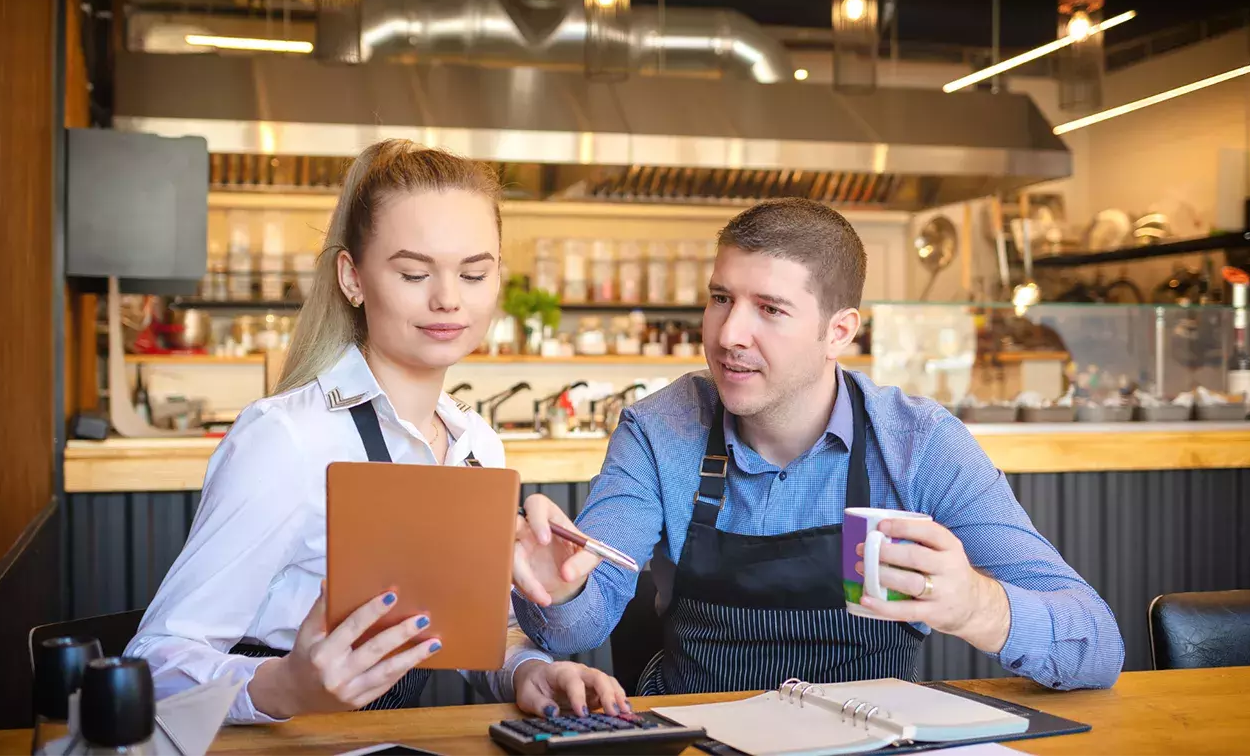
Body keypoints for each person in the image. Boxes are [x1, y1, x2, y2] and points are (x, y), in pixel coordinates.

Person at [513, 198, 1124, 695]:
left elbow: (1097, 644)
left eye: (770, 309)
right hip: (696, 737)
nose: (728, 334)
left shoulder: (918, 444)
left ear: (839, 331)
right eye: (720, 298)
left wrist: (976, 608)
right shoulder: (660, 429)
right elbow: (578, 625)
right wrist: (559, 587)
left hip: (868, 743)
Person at [127, 140, 626, 723]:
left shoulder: (475, 445)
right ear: (352, 278)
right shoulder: (287, 439)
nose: (447, 299)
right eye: (415, 272)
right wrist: (287, 687)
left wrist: (531, 669)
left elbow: (464, 631)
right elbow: (154, 663)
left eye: (473, 273)